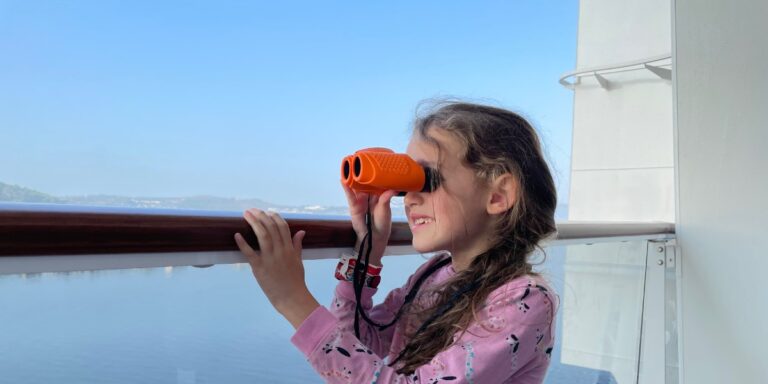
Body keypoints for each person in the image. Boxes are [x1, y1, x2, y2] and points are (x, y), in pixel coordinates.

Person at [234, 101, 559, 383]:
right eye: (405, 184)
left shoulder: (524, 299)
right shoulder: (437, 273)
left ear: (498, 195)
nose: (409, 198)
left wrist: (292, 299)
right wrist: (367, 254)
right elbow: (362, 340)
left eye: (427, 179)